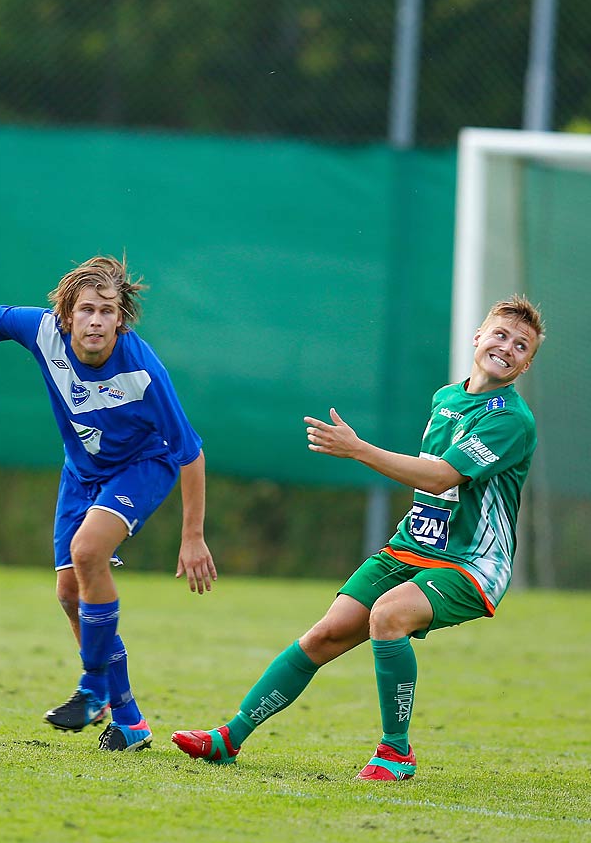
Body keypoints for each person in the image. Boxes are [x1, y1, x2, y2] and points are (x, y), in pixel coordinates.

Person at [173, 295, 545, 780]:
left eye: (521, 346)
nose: (507, 347)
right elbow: (429, 479)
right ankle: (230, 738)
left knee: (388, 616)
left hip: (471, 563)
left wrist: (357, 450)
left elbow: (441, 478)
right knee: (323, 635)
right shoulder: (446, 399)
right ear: (478, 337)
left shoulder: (510, 419)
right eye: (500, 335)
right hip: (412, 546)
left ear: (526, 365)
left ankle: (396, 753)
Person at [0, 255, 216, 752]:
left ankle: (93, 686)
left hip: (143, 466)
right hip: (81, 473)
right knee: (70, 594)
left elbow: (191, 453)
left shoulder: (143, 369)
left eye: (108, 311)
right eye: (88, 310)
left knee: (89, 551)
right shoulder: (42, 331)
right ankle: (130, 722)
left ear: (121, 319)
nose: (96, 320)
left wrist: (193, 536)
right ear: (67, 315)